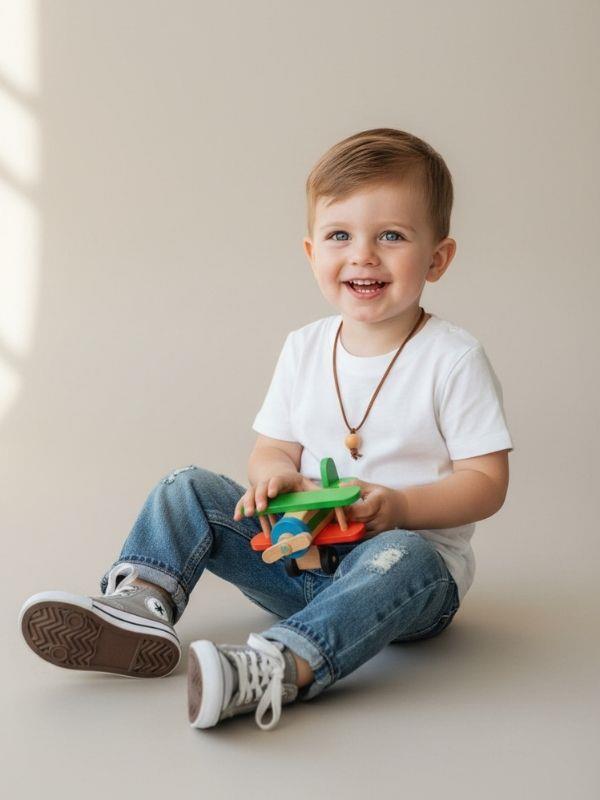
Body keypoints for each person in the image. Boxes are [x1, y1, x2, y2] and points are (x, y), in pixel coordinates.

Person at [19, 127, 514, 732]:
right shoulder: (304, 348)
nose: (363, 255)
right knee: (186, 485)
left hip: (401, 579)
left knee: (404, 554)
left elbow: (486, 482)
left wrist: (402, 508)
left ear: (437, 258)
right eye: (340, 235)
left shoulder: (452, 359)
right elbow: (272, 448)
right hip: (294, 557)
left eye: (391, 236)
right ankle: (142, 603)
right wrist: (275, 477)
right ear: (312, 253)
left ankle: (279, 665)